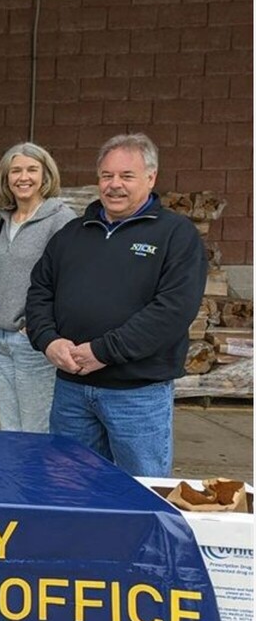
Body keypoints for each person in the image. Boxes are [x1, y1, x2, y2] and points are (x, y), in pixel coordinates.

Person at [26, 133, 207, 476]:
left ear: (151, 178)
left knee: (141, 488)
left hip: (136, 395)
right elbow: (39, 292)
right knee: (69, 484)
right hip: (72, 389)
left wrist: (104, 351)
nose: (114, 185)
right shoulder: (72, 234)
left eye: (126, 176)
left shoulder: (175, 235)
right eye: (107, 175)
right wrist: (48, 341)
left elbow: (172, 311)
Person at [0, 143, 76, 433]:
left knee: (35, 427)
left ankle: (35, 467)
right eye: (16, 171)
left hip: (31, 339)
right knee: (9, 425)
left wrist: (41, 325)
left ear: (45, 175)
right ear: (6, 177)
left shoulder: (60, 219)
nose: (24, 177)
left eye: (32, 170)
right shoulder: (2, 219)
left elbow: (70, 279)